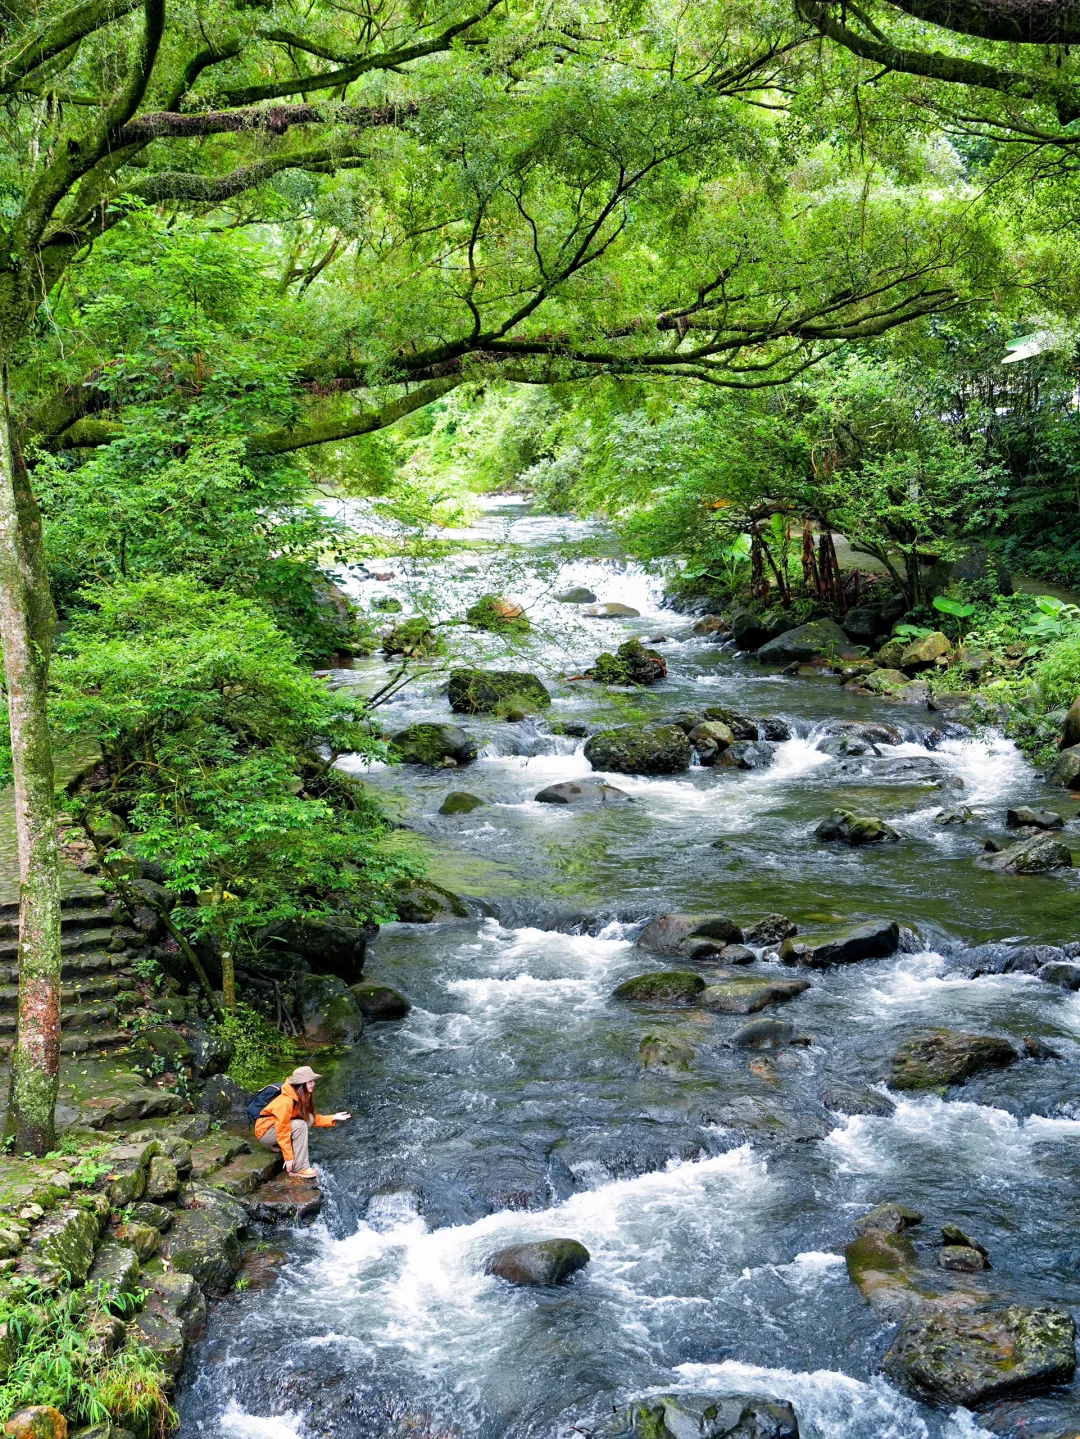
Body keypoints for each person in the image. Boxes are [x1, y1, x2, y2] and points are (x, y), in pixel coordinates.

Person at [254, 1065, 351, 1179]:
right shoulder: (286, 1101)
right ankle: (299, 1168)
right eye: (310, 1081)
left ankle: (277, 1145)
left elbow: (312, 1118)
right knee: (299, 1125)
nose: (313, 1084)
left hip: (275, 1129)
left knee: (308, 1118)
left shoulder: (303, 1095)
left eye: (313, 1081)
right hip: (265, 1133)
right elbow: (282, 1128)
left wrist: (332, 1117)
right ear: (301, 1084)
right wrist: (289, 1157)